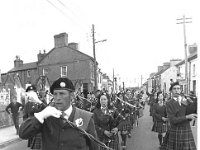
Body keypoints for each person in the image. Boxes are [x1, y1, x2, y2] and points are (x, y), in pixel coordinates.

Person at [19, 77, 99, 150]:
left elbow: (94, 147)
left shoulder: (85, 117)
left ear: (72, 96)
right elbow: (23, 134)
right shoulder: (47, 116)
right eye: (55, 94)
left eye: (62, 94)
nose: (57, 98)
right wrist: (41, 115)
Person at [161, 82, 197, 150]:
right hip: (175, 130)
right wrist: (187, 117)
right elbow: (173, 120)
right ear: (171, 91)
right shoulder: (169, 103)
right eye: (174, 89)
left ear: (180, 90)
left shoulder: (187, 100)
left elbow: (193, 111)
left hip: (186, 129)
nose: (176, 90)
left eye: (178, 88)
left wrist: (194, 103)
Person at [23, 85, 43, 150]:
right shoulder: (27, 104)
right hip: (31, 127)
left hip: (39, 128)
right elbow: (25, 116)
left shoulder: (41, 102)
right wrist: (27, 125)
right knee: (33, 146)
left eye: (32, 92)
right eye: (29, 93)